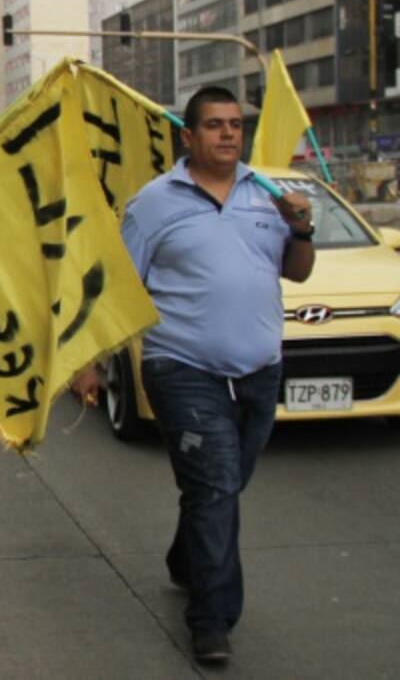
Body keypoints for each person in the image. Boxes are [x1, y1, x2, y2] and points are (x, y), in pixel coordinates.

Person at [72, 86, 315, 664]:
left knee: (222, 488)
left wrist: (301, 228)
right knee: (214, 487)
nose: (228, 134)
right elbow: (120, 288)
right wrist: (92, 361)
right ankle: (211, 620)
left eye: (235, 125)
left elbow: (298, 274)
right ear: (189, 136)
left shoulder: (268, 195)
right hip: (181, 367)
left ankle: (188, 560)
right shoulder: (154, 202)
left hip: (259, 369)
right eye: (214, 125)